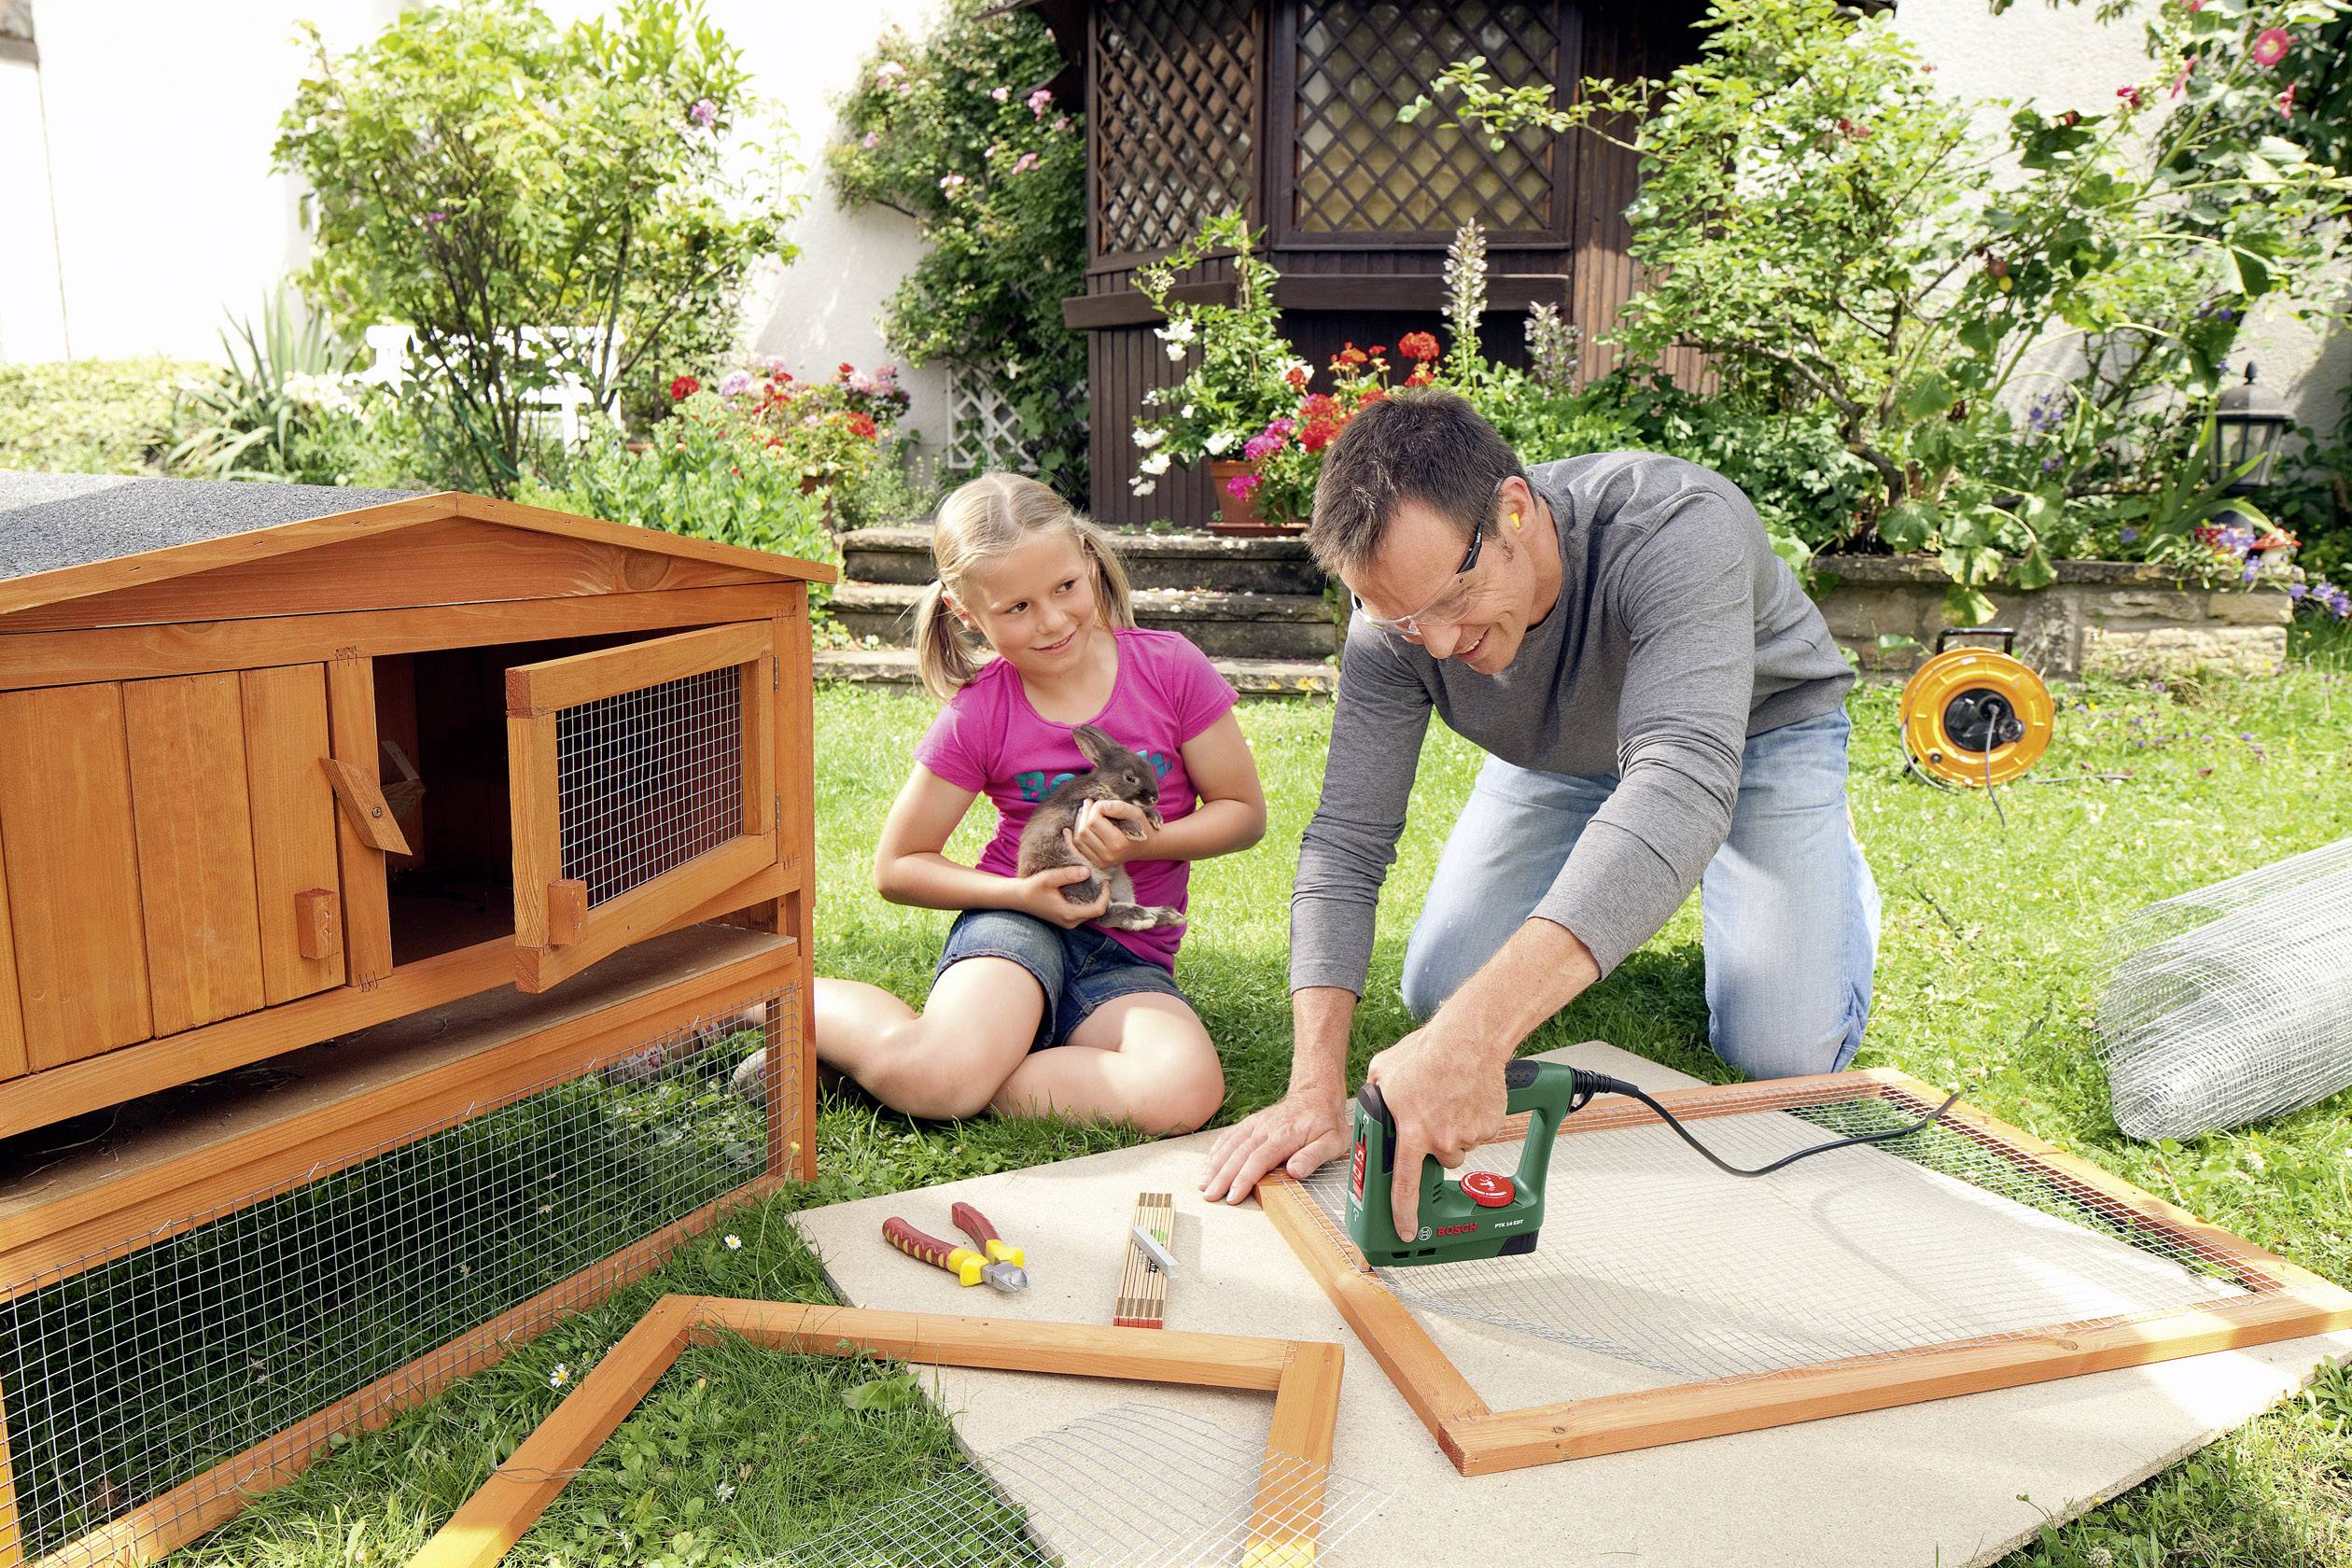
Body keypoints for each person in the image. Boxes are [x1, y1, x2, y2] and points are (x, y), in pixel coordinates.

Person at [1200, 390, 1877, 1235]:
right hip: (1562, 758)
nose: (1443, 648)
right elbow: (1345, 843)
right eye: (1406, 622)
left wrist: (1479, 1039)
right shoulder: (1399, 622)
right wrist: (1312, 1088)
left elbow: (1680, 778)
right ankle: (1624, 879)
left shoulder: (1676, 526)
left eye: (1453, 601)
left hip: (1752, 737)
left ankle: (1819, 861)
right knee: (1440, 989)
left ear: (1513, 510)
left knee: (1780, 1052)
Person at [813, 472, 1265, 1132]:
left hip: (1125, 956)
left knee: (1183, 1089)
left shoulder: (1170, 669)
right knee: (939, 1074)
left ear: (1088, 562)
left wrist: (1145, 841)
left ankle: (933, 1072)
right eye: (1016, 608)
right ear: (968, 615)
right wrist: (1021, 897)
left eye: (1064, 589)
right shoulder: (981, 711)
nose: (1052, 621)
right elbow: (899, 865)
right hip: (1016, 928)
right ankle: (761, 1003)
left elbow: (1243, 812)